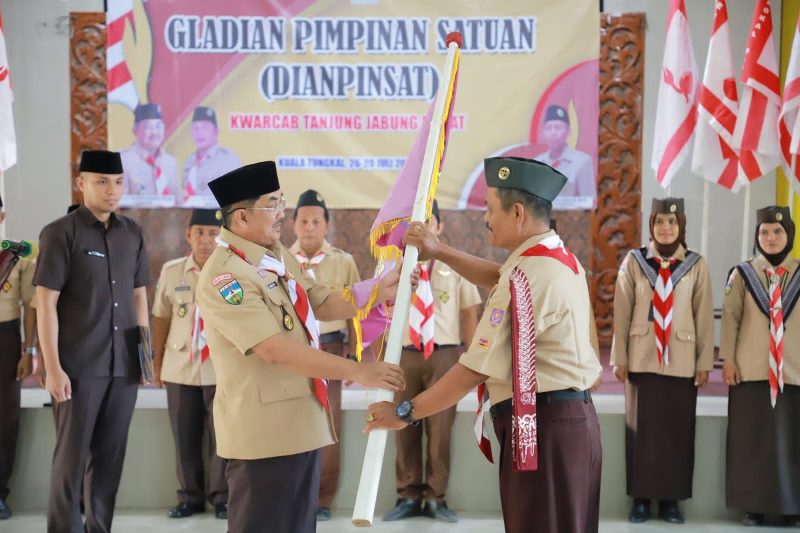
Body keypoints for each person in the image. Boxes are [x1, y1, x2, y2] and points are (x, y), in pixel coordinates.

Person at [366, 157, 603, 533]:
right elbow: (498, 274)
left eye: (491, 209)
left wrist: (406, 412)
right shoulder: (555, 257)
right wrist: (439, 250)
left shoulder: (526, 276)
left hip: (546, 429)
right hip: (569, 423)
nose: (486, 218)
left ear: (519, 213)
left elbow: (472, 369)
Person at [195, 161, 409, 533]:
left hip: (300, 423)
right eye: (272, 204)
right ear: (241, 217)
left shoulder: (273, 253)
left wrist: (378, 290)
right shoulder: (224, 275)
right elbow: (275, 349)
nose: (282, 214)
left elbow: (317, 299)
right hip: (262, 436)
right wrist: (358, 370)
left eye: (282, 202)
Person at [34, 149, 151, 533]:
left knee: (108, 465)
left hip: (123, 370)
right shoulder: (59, 233)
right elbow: (45, 304)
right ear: (81, 183)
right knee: (69, 466)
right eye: (102, 181)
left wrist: (145, 360)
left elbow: (139, 297)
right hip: (78, 369)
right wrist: (52, 369)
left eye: (117, 182)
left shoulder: (132, 233)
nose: (112, 190)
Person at [611, 197, 714, 524]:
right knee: (640, 434)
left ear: (680, 225)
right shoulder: (634, 262)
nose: (666, 229)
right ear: (651, 225)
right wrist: (620, 356)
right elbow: (622, 313)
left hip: (681, 361)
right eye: (659, 222)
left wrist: (704, 362)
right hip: (642, 359)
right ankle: (640, 499)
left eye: (672, 222)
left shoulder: (696, 265)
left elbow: (704, 318)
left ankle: (671, 501)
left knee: (677, 433)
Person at [382, 199, 480, 523]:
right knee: (403, 426)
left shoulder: (455, 265)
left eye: (429, 223)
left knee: (440, 431)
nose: (422, 230)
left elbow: (468, 311)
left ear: (439, 227)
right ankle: (408, 495)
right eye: (414, 225)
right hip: (404, 355)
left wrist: (470, 354)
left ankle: (436, 496)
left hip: (445, 355)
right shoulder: (392, 265)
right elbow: (378, 311)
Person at [721, 206, 800, 527]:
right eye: (765, 232)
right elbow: (730, 319)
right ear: (757, 236)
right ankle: (752, 506)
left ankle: (793, 505)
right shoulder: (742, 274)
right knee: (750, 442)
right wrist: (728, 359)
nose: (770, 238)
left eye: (777, 232)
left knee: (793, 442)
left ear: (789, 236)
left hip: (794, 372)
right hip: (751, 371)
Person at [289, 189, 361, 521]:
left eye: (316, 221)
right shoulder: (281, 261)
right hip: (292, 349)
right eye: (303, 221)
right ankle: (292, 493)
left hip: (331, 349)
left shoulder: (343, 262)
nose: (309, 227)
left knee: (329, 424)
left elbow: (357, 311)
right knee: (292, 419)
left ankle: (323, 498)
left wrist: (357, 356)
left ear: (327, 226)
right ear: (293, 225)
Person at [151, 208, 228, 520]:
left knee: (222, 437)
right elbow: (160, 319)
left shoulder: (230, 272)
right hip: (180, 366)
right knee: (184, 436)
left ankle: (223, 497)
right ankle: (189, 497)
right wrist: (156, 365)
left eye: (213, 234)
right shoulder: (172, 272)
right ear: (188, 235)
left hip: (220, 368)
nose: (207, 241)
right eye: (200, 233)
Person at [0, 255, 36, 519]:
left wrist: (29, 350)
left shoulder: (17, 253)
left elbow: (31, 304)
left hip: (6, 340)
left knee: (5, 420)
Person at [534, 105, 596, 209]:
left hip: (572, 222)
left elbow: (589, 204)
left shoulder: (582, 162)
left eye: (558, 127)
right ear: (543, 132)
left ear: (568, 132)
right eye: (549, 128)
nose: (553, 133)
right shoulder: (536, 163)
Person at [182, 107, 241, 206]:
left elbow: (238, 196)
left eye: (205, 127)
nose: (199, 132)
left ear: (216, 132)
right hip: (192, 217)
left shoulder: (229, 160)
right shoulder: (189, 161)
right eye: (196, 128)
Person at [120, 103, 179, 202]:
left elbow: (177, 201)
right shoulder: (123, 160)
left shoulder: (171, 161)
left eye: (158, 126)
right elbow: (119, 204)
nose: (154, 132)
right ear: (135, 131)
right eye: (148, 127)